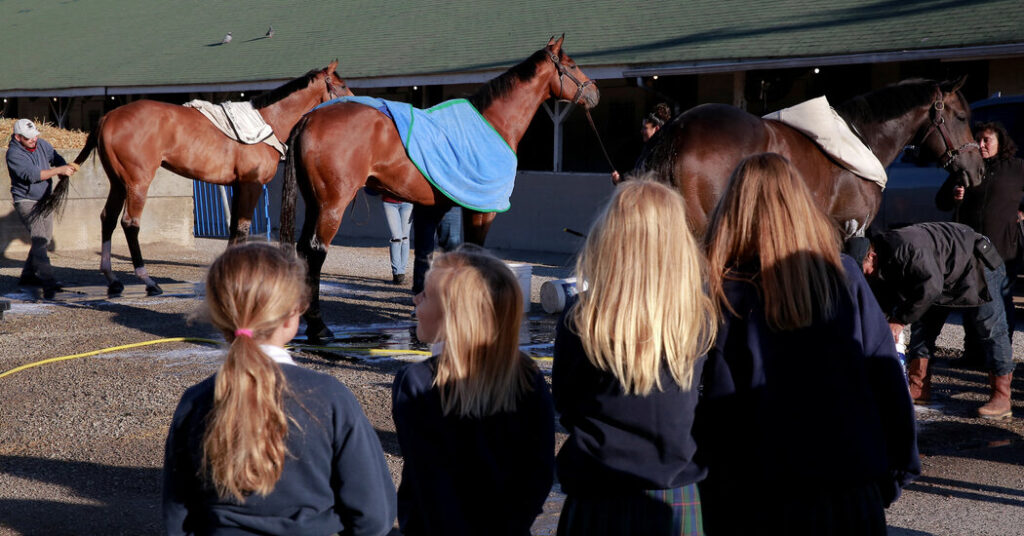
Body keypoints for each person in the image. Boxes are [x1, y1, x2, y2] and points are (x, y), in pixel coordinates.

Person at [700, 154, 919, 534]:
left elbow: (711, 408)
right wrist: (895, 470)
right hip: (848, 490)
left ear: (731, 212)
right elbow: (887, 379)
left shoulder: (720, 293)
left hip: (755, 499)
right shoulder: (843, 276)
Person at [163, 242, 396, 536]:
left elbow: (178, 519)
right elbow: (374, 516)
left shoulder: (195, 403)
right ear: (293, 315)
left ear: (217, 314)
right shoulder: (330, 398)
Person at [553, 179, 717, 536]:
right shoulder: (701, 320)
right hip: (673, 495)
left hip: (597, 495)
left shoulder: (582, 320)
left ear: (609, 236)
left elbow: (566, 405)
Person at [392, 245, 553, 536]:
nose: (415, 299)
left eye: (426, 295)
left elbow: (427, 481)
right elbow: (539, 474)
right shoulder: (528, 377)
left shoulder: (416, 381)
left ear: (452, 317)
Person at [849, 221, 1014, 419]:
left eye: (864, 270)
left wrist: (899, 321)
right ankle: (918, 388)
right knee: (922, 328)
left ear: (871, 256)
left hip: (976, 264)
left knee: (991, 329)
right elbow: (887, 297)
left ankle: (1002, 396)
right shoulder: (882, 256)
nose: (864, 276)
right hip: (942, 272)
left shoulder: (907, 248)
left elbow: (930, 288)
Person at [936, 121, 1024, 348]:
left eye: (987, 140)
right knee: (971, 299)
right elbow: (941, 201)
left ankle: (999, 355)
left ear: (1000, 142)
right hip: (970, 248)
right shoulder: (967, 166)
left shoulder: (1016, 168)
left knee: (1001, 302)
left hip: (1003, 248)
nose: (982, 145)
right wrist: (954, 195)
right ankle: (973, 353)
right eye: (978, 140)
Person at [5, 118, 77, 299]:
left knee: (43, 238)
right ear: (17, 137)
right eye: (28, 138)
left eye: (34, 136)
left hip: (44, 199)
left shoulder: (41, 144)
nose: (33, 140)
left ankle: (28, 276)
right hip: (26, 201)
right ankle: (48, 281)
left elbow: (54, 157)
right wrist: (59, 171)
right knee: (39, 239)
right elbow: (33, 175)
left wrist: (65, 164)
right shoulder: (14, 154)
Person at [611, 103, 672, 184]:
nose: (641, 131)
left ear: (656, 129)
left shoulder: (660, 150)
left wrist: (621, 179)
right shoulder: (649, 147)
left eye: (645, 128)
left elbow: (642, 173)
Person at [411, 202, 462, 295]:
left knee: (452, 253)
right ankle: (421, 299)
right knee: (423, 254)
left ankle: (449, 299)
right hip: (424, 202)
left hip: (451, 202)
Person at [381, 194, 413, 284]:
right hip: (389, 202)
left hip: (408, 201)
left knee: (405, 238)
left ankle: (401, 272)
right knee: (396, 238)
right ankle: (396, 272)